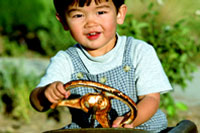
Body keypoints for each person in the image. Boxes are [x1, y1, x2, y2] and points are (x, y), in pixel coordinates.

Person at [29, 0, 173, 132]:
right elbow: (37, 103)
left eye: (101, 12)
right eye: (78, 15)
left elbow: (151, 98)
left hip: (139, 128)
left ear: (120, 14)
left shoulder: (138, 51)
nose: (90, 23)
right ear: (63, 21)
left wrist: (130, 120)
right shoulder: (66, 61)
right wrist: (46, 93)